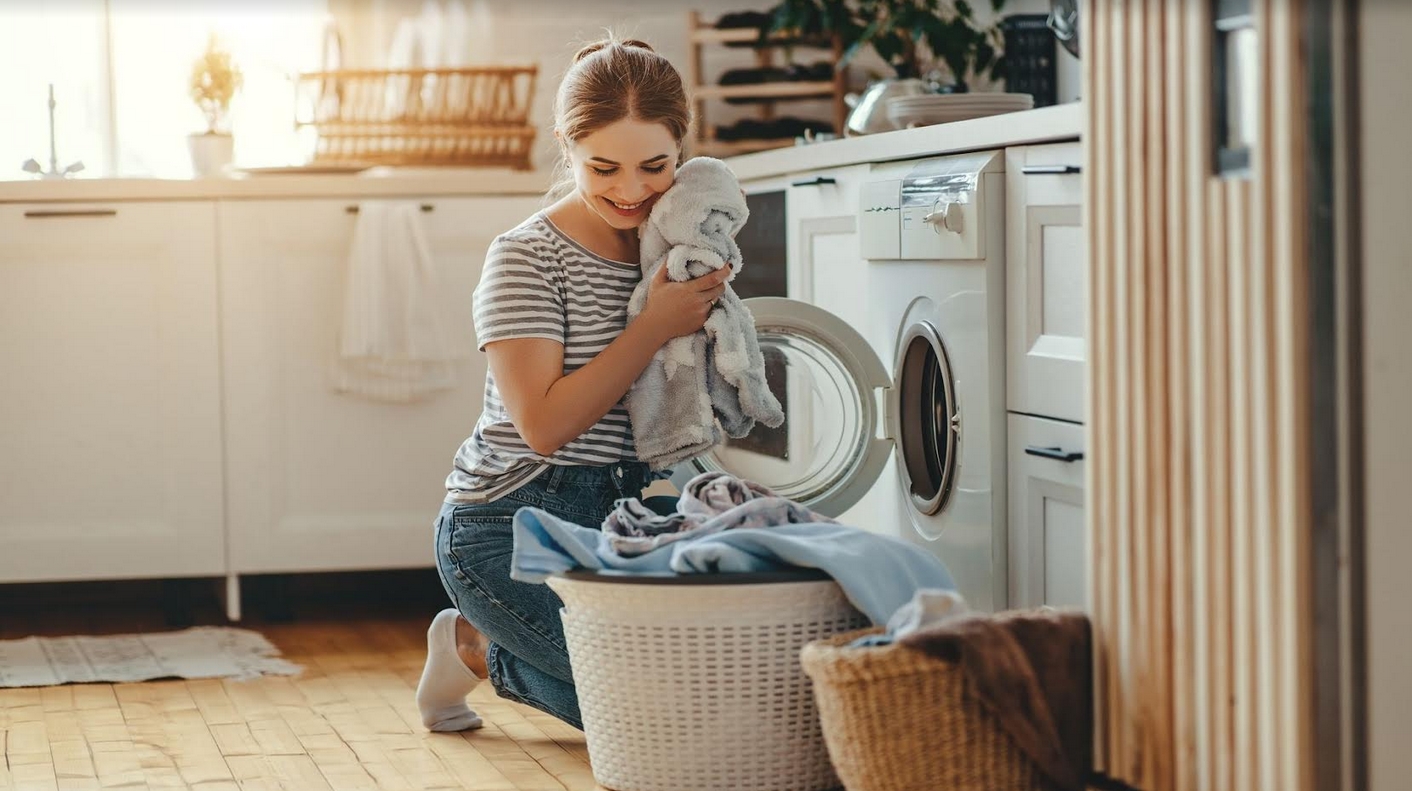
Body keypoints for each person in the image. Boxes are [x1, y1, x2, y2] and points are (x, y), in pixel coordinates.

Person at [415, 37, 734, 732]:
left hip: (620, 516)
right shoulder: (526, 258)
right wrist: (652, 326)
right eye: (603, 167)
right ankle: (474, 642)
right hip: (505, 525)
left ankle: (493, 643)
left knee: (719, 688)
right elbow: (545, 426)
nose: (629, 190)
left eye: (655, 166)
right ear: (566, 146)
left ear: (683, 147)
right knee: (662, 722)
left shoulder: (676, 248)